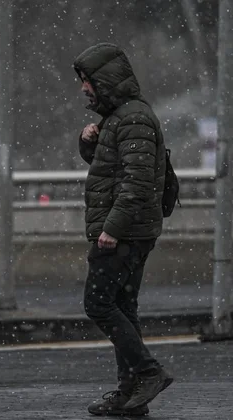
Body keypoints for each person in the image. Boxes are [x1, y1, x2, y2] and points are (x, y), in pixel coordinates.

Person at [74, 42, 174, 416]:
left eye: (87, 81)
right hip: (130, 230)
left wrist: (112, 228)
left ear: (105, 80)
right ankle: (131, 394)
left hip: (125, 233)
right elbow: (110, 166)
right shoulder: (118, 117)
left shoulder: (132, 118)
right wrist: (88, 143)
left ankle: (148, 373)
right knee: (122, 306)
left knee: (98, 304)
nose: (84, 88)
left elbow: (136, 180)